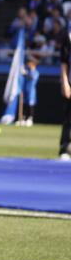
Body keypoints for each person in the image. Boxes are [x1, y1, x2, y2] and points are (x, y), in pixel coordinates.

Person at [60, 28, 71, 161]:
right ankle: (65, 148)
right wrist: (65, 82)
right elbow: (64, 62)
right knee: (69, 117)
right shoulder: (69, 36)